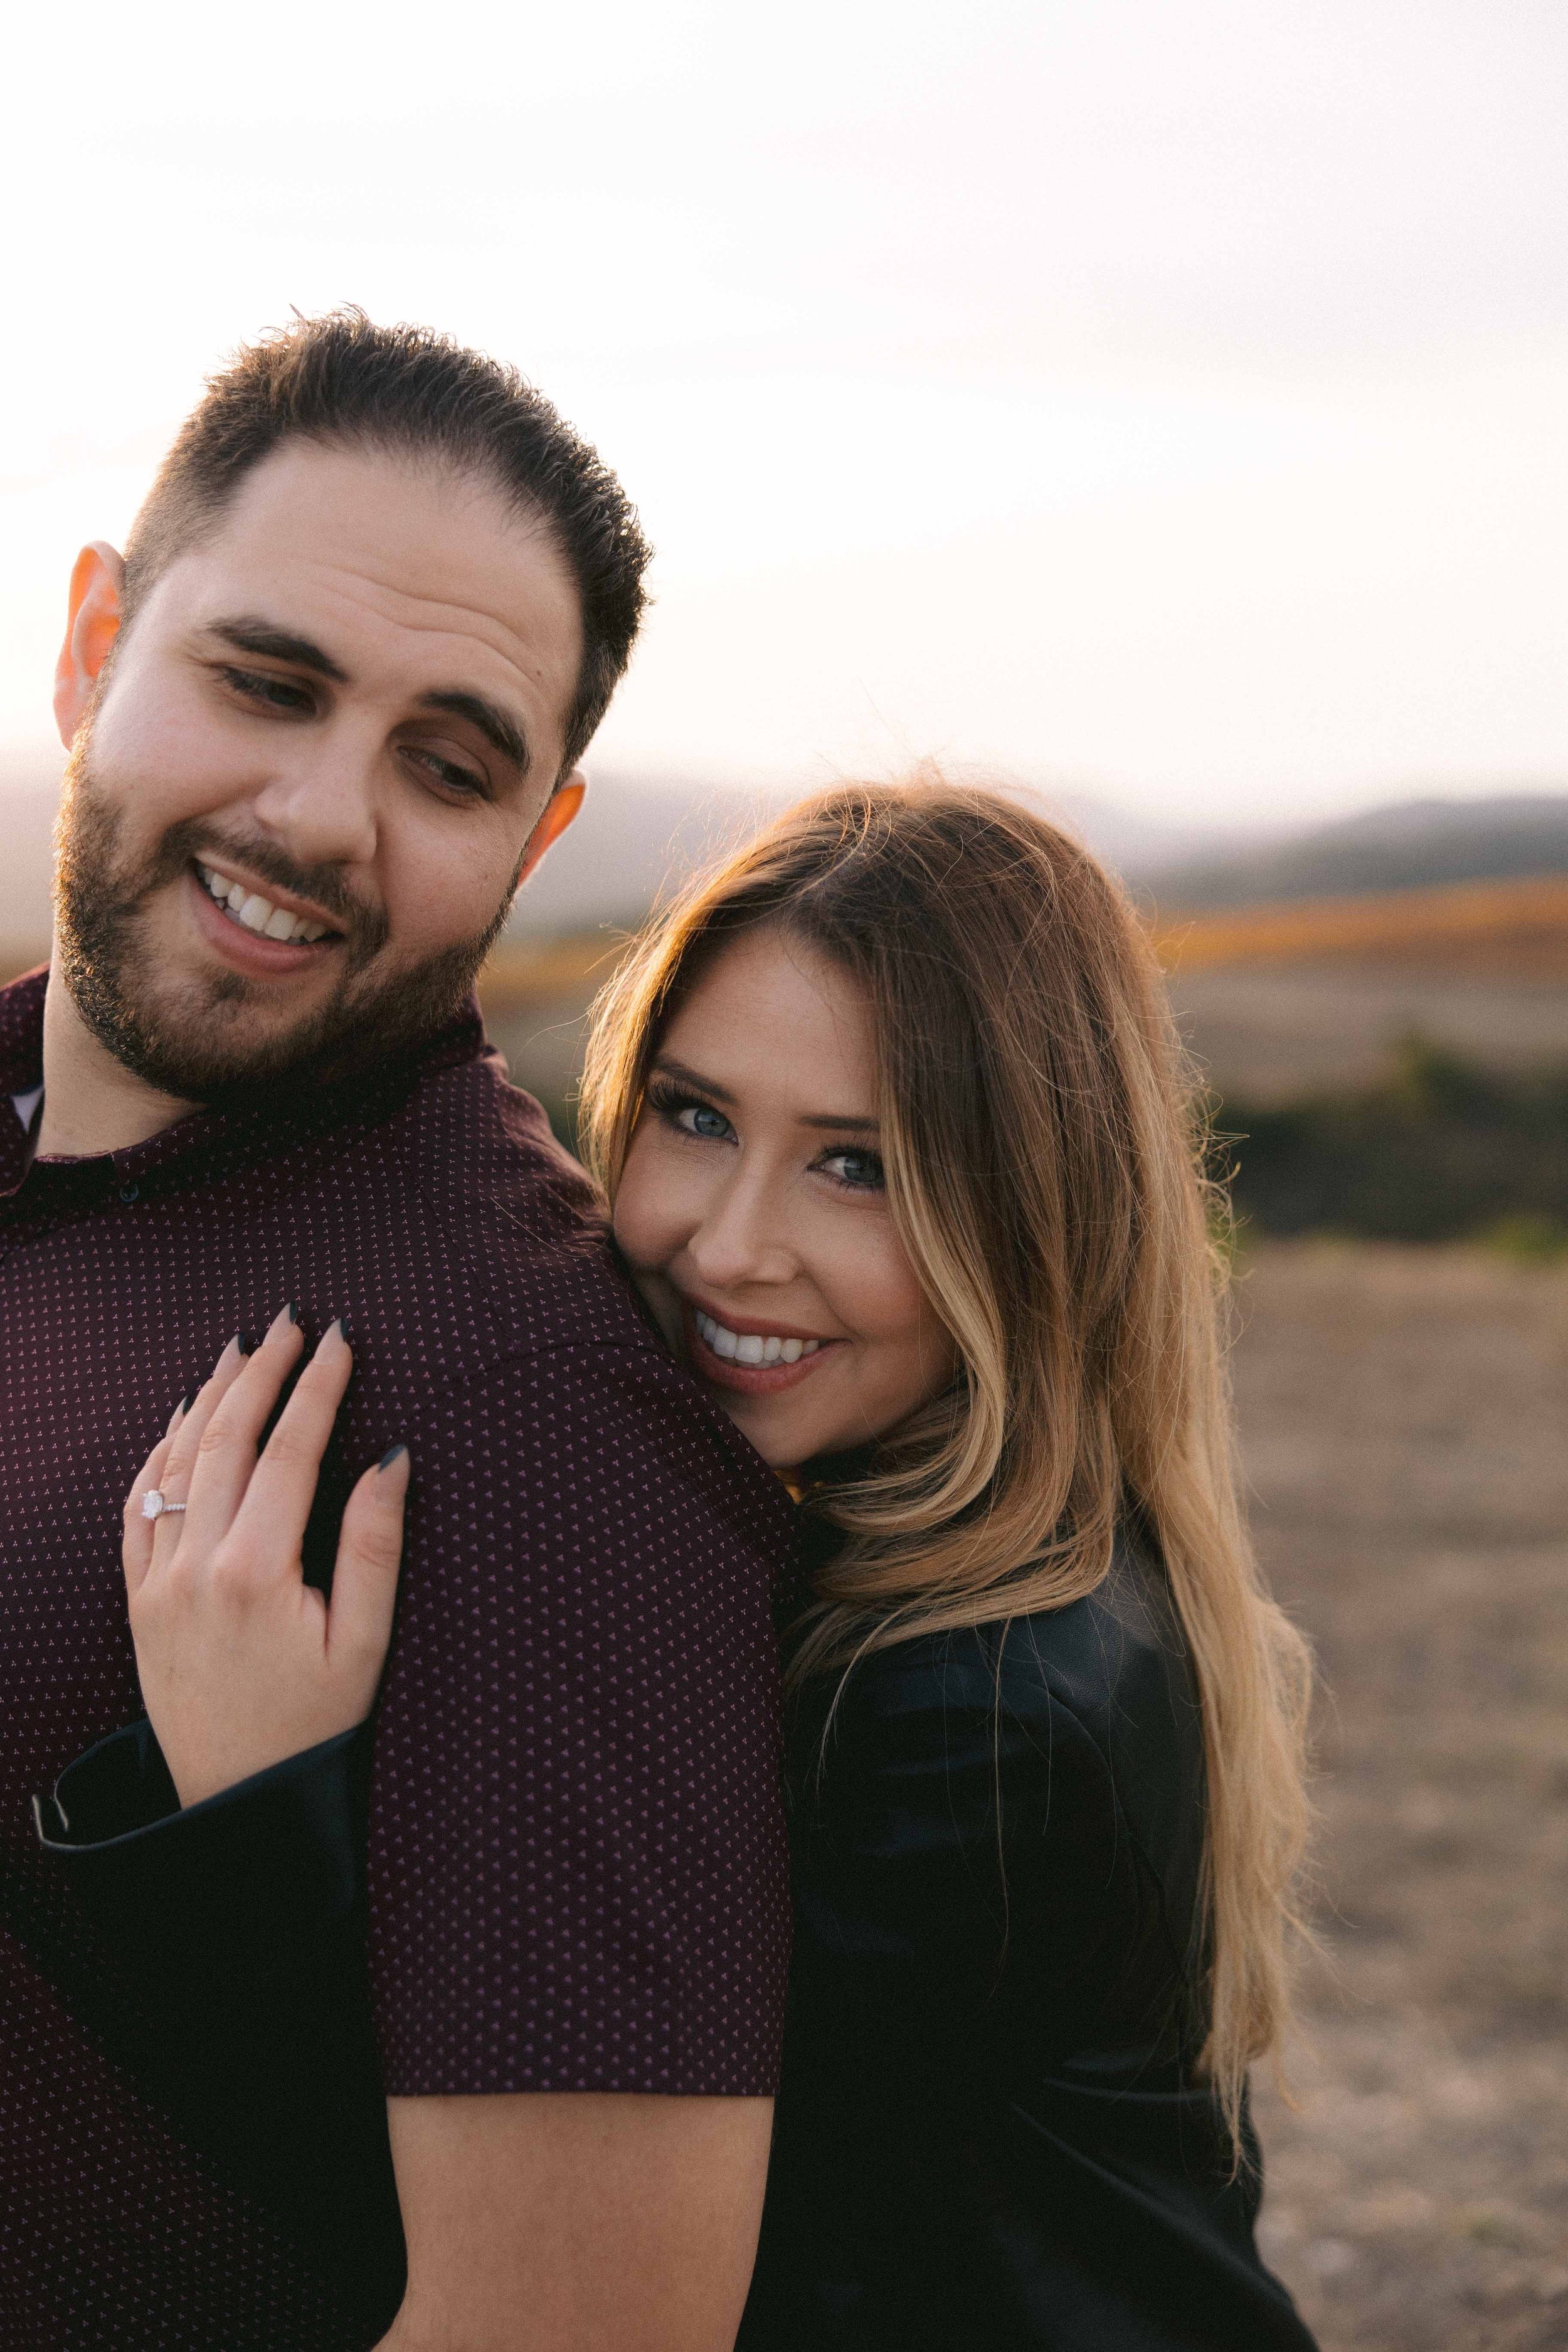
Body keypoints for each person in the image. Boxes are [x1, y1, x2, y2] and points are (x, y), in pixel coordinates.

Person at [55, 781, 1323, 2348]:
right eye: (697, 1117)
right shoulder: (986, 1552)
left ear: (1032, 1218)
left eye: (854, 1166)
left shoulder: (960, 1713)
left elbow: (564, 2254)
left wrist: (257, 1801)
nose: (729, 1245)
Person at [5, 310, 795, 2352]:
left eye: (448, 764)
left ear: (538, 834)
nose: (321, 817)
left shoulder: (529, 1412)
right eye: (262, 682)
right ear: (95, 644)